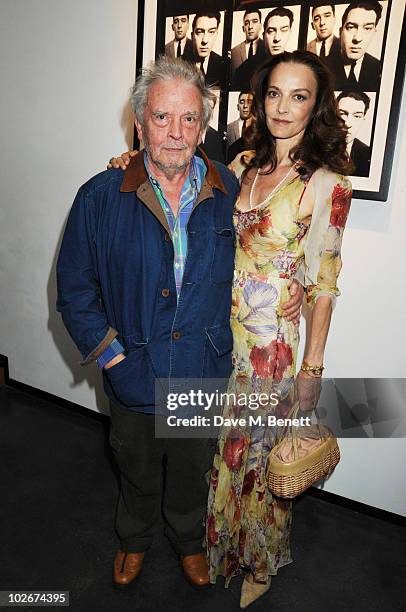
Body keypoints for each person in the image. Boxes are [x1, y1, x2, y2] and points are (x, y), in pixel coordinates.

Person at [58, 56, 303, 593]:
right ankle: (134, 538)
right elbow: (75, 288)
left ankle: (188, 541)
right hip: (134, 372)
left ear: (203, 125)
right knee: (137, 469)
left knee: (192, 472)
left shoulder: (229, 193)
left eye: (189, 119)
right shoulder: (101, 196)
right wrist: (110, 355)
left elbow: (268, 252)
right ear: (140, 123)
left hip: (200, 368)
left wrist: (294, 288)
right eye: (162, 118)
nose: (176, 132)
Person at [206, 51, 353, 608]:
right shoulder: (242, 164)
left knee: (262, 454)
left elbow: (324, 283)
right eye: (274, 93)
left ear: (316, 108)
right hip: (219, 332)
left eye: (299, 96)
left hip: (271, 346)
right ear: (259, 98)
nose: (283, 107)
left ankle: (260, 560)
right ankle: (222, 544)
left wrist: (313, 368)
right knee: (223, 448)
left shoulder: (327, 184)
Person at [233, 7, 294, 91]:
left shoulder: (298, 66)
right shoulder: (244, 70)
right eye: (271, 31)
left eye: (283, 30)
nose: (277, 38)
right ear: (263, 35)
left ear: (290, 33)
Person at [326, 1, 382, 91]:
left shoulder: (379, 67)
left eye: (367, 28)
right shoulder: (321, 66)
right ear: (340, 32)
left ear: (374, 33)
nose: (357, 38)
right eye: (351, 27)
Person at [183, 11, 226, 88]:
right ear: (192, 36)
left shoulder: (224, 65)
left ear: (216, 35)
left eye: (211, 32)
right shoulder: (179, 63)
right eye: (200, 32)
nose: (205, 40)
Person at [337, 90, 371, 176]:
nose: (348, 124)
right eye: (342, 114)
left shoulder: (368, 154)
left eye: (357, 116)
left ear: (363, 119)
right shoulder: (316, 150)